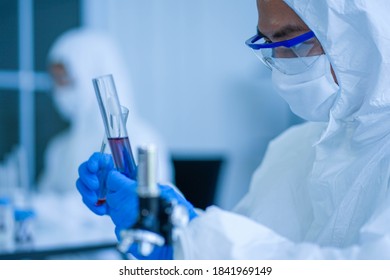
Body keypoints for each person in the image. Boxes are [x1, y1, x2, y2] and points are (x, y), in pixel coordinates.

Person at [76, 0, 390, 259]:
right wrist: (167, 224)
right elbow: (247, 245)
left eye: (293, 42)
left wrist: (191, 238)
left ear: (360, 37)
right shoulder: (290, 149)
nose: (281, 67)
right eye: (270, 43)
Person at [38, 28, 173, 194]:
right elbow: (43, 196)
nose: (58, 90)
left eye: (64, 79)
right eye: (55, 80)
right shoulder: (60, 148)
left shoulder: (141, 142)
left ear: (92, 74)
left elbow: (146, 206)